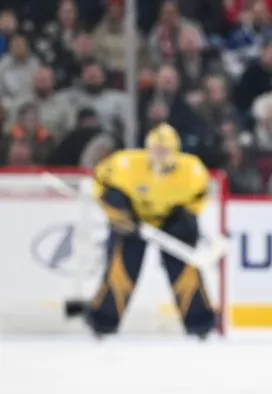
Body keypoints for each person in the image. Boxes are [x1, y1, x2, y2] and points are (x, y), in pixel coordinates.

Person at [85, 123, 217, 339]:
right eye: (156, 149)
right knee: (121, 269)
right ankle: (103, 323)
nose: (160, 154)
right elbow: (100, 183)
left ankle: (200, 324)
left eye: (164, 150)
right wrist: (116, 212)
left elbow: (202, 195)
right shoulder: (125, 163)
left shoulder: (192, 169)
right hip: (132, 221)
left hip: (172, 222)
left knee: (185, 271)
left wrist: (185, 218)